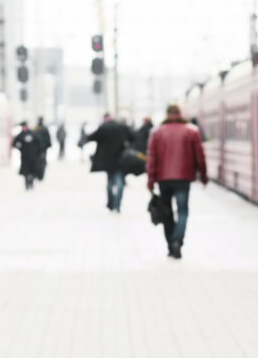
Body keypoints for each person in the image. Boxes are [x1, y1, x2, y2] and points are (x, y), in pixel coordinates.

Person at [147, 104, 208, 259]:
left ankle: (170, 245)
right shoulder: (191, 131)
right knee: (182, 212)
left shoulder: (157, 132)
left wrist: (150, 180)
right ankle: (177, 241)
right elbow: (200, 157)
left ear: (167, 115)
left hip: (163, 180)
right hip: (183, 178)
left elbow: (151, 159)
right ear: (180, 114)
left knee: (166, 213)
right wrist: (204, 176)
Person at [85, 113, 134, 213]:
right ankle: (117, 205)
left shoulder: (103, 128)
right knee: (120, 183)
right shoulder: (121, 127)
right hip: (120, 159)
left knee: (110, 182)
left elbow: (90, 137)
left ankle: (111, 204)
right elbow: (133, 138)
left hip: (107, 160)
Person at [12, 121, 41, 190]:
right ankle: (27, 183)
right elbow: (14, 143)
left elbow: (38, 143)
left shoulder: (33, 133)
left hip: (33, 156)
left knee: (33, 170)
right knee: (26, 171)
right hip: (25, 156)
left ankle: (31, 181)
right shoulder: (20, 135)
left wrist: (37, 152)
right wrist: (20, 148)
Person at [34, 116, 52, 181]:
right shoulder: (44, 128)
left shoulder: (36, 128)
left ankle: (38, 174)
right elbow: (48, 138)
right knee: (42, 162)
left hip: (37, 149)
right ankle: (40, 175)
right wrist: (48, 145)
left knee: (37, 161)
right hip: (43, 149)